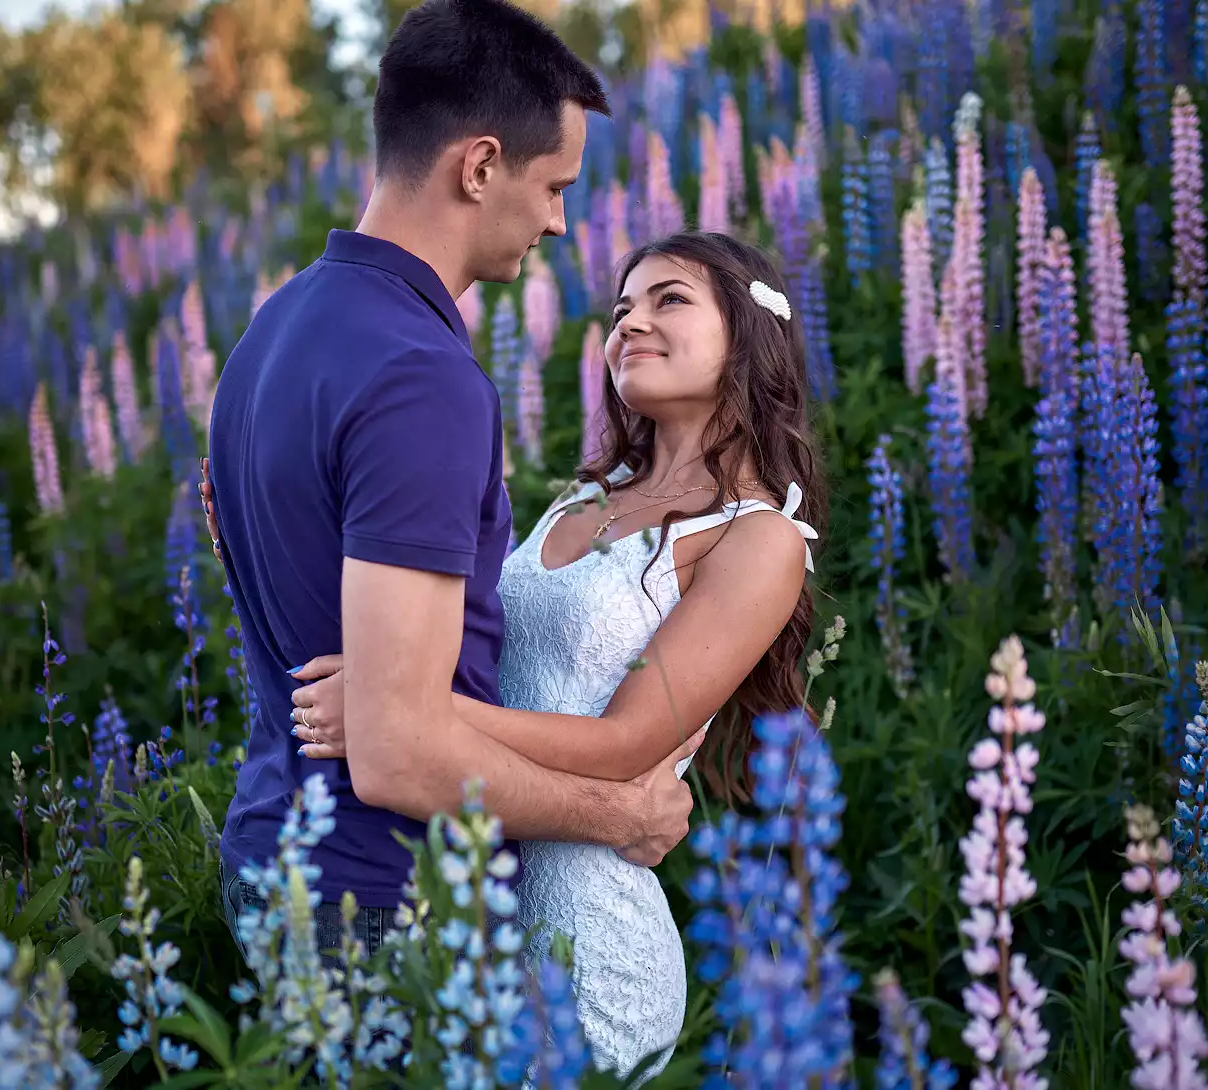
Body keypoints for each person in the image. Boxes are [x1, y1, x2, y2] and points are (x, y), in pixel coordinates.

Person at [201, 0, 702, 978]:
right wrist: (620, 812)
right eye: (554, 185)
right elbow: (399, 754)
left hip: (277, 851)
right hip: (390, 899)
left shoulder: (273, 330)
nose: (561, 221)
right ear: (478, 166)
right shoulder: (420, 375)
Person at [269, 231, 831, 1080]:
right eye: (621, 308)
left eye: (668, 299)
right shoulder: (585, 498)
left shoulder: (760, 539)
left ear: (750, 336)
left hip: (595, 936)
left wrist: (402, 711)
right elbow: (444, 625)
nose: (631, 321)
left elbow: (625, 745)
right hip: (473, 907)